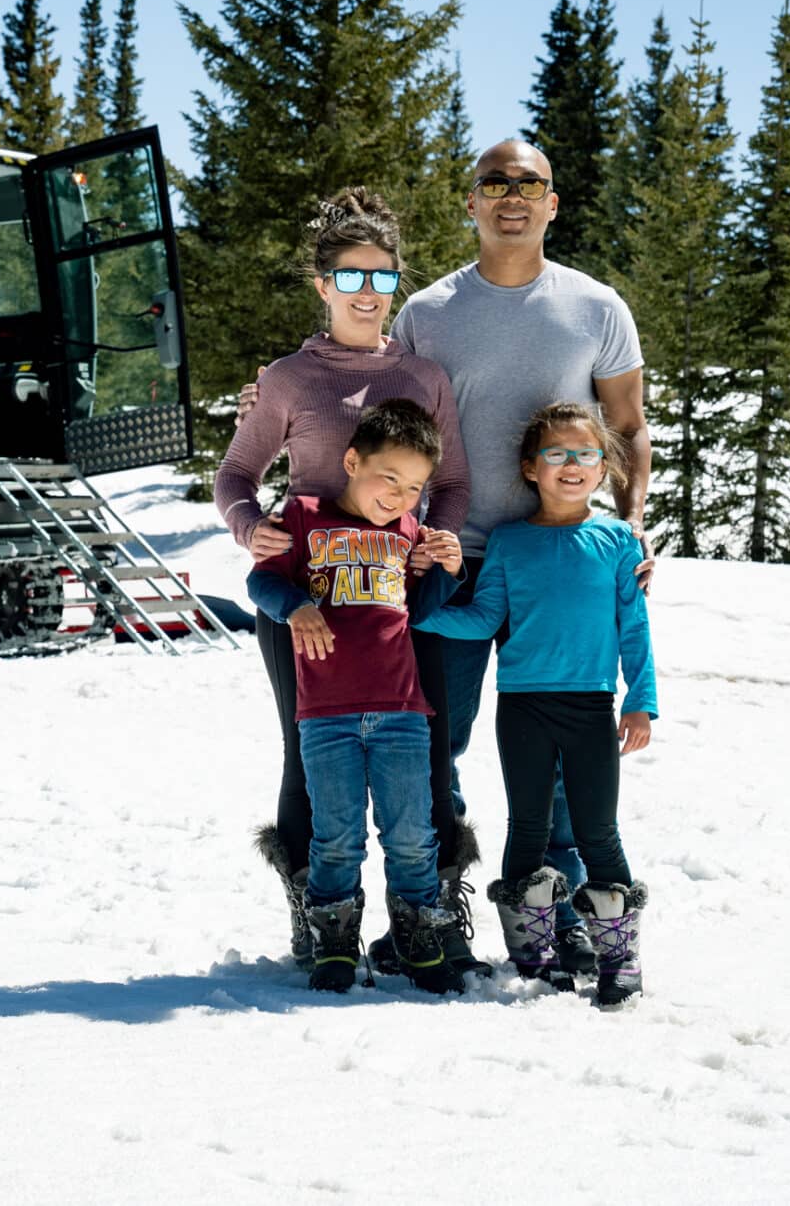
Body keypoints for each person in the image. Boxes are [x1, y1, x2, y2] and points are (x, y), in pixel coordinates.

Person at [243, 141, 654, 978]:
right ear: (471, 201)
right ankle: (438, 905)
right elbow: (350, 369)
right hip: (448, 565)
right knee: (436, 742)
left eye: (528, 183)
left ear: (553, 200)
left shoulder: (598, 305)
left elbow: (631, 424)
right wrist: (270, 398)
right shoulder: (429, 310)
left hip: (558, 559)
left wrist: (633, 523)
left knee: (570, 734)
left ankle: (567, 907)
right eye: (496, 183)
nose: (512, 197)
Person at [213, 188, 482, 981]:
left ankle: (427, 913)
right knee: (307, 754)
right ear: (323, 284)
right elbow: (235, 473)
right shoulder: (290, 379)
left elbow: (456, 482)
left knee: (425, 753)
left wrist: (442, 540)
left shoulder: (423, 374)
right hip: (301, 602)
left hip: (399, 601)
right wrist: (246, 523)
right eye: (351, 277)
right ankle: (317, 909)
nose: (369, 294)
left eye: (383, 278)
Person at [415, 401, 656, 1006]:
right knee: (528, 827)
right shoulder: (508, 541)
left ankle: (618, 956)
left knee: (599, 831)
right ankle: (535, 952)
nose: (571, 465)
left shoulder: (618, 542)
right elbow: (486, 618)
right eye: (556, 454)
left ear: (605, 467)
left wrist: (641, 700)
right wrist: (423, 615)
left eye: (585, 454)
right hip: (522, 707)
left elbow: (634, 628)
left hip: (591, 709)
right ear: (530, 467)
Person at [246, 399, 467, 993]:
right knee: (336, 835)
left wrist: (444, 571)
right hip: (325, 715)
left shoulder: (408, 533)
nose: (399, 496)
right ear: (351, 461)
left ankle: (418, 937)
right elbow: (259, 580)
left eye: (415, 487)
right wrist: (295, 607)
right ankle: (335, 942)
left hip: (401, 713)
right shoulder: (304, 516)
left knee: (411, 835)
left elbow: (418, 612)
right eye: (388, 478)